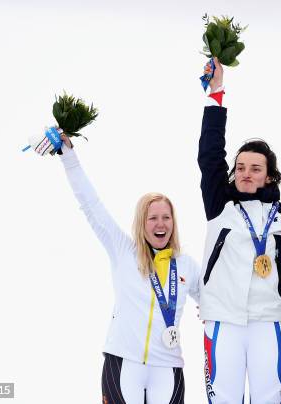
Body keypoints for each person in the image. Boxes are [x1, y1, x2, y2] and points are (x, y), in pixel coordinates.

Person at [55, 134, 200, 404]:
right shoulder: (124, 251)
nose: (161, 224)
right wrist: (68, 156)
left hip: (167, 367)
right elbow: (91, 205)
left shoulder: (187, 265)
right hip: (123, 363)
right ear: (141, 223)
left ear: (174, 222)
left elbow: (214, 301)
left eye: (166, 217)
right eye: (153, 217)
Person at [198, 58, 281, 403]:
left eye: (255, 168)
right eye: (240, 167)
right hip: (223, 321)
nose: (246, 173)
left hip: (270, 323)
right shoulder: (219, 206)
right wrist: (216, 94)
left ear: (269, 176)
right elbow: (210, 156)